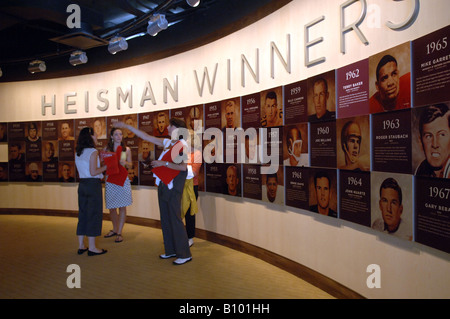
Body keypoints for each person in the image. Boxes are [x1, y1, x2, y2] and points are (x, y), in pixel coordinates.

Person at [114, 117, 192, 265]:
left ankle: (184, 253)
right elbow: (146, 137)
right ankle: (171, 250)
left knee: (174, 218)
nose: (167, 128)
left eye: (170, 126)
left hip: (173, 186)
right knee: (166, 218)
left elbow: (182, 167)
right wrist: (126, 126)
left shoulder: (182, 145)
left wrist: (163, 163)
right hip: (164, 184)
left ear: (177, 128)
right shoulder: (169, 143)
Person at [74, 126, 108, 256]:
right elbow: (94, 172)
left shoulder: (78, 152)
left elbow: (87, 169)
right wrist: (106, 166)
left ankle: (81, 245)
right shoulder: (93, 152)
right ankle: (93, 247)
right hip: (93, 185)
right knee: (94, 214)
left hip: (82, 185)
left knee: (82, 214)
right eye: (95, 134)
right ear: (90, 136)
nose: (97, 137)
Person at [103, 127, 133, 243]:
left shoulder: (126, 149)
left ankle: (119, 232)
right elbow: (102, 162)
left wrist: (124, 162)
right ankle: (115, 229)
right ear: (111, 136)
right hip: (110, 179)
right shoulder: (107, 149)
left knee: (122, 206)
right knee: (111, 206)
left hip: (122, 179)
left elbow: (130, 165)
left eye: (120, 134)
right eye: (116, 134)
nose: (119, 136)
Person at [416, 103, 450, 178]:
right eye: (428, 136)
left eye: (442, 135)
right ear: (420, 142)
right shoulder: (420, 170)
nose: (435, 144)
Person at [182, 131, 202, 247]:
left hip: (191, 187)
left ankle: (190, 237)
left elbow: (194, 172)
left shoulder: (198, 153)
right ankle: (180, 235)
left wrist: (180, 169)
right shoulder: (182, 152)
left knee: (190, 214)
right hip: (180, 186)